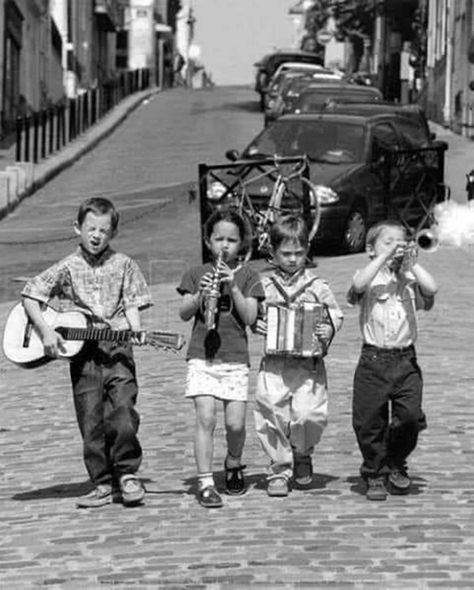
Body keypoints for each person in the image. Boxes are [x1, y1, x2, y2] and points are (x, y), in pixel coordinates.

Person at [21, 197, 152, 508]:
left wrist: (133, 328)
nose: (97, 235)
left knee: (122, 411)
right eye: (91, 228)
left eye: (104, 230)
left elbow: (133, 303)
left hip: (117, 349)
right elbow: (30, 293)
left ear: (113, 233)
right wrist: (46, 330)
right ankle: (102, 481)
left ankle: (127, 473)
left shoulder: (125, 265)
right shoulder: (67, 266)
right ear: (77, 228)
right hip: (83, 354)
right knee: (90, 418)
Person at [177, 210, 265, 508]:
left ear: (242, 244)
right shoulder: (195, 273)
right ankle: (204, 482)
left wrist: (234, 286)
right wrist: (199, 295)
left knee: (236, 424)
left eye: (231, 240)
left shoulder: (249, 275)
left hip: (235, 357)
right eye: (219, 239)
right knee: (205, 417)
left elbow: (251, 317)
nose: (224, 246)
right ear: (208, 241)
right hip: (202, 355)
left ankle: (233, 461)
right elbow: (184, 312)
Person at [347, 220, 438, 501]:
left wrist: (410, 263)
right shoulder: (368, 276)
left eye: (400, 241)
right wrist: (384, 257)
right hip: (373, 360)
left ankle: (396, 461)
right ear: (370, 249)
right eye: (388, 242)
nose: (396, 246)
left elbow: (432, 289)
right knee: (368, 421)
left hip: (405, 361)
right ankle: (374, 471)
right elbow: (359, 284)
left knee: (410, 418)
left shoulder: (410, 280)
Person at [253, 216, 343, 497]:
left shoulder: (318, 286)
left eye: (298, 253)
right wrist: (257, 324)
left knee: (309, 415)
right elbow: (252, 314)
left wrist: (326, 328)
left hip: (308, 365)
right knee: (272, 414)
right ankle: (279, 468)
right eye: (286, 254)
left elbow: (335, 314)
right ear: (273, 252)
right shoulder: (264, 287)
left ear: (307, 249)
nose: (292, 259)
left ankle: (302, 453)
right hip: (274, 364)